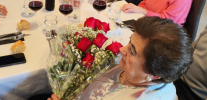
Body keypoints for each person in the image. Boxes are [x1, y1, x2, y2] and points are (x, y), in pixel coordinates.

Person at [31, 16, 193, 100]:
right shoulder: (137, 72)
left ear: (154, 75)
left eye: (133, 51)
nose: (122, 49)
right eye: (129, 42)